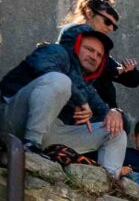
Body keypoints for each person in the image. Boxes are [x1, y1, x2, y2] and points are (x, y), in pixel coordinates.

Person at [0, 26, 127, 170]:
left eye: (99, 55)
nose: (94, 57)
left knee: (116, 132)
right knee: (60, 80)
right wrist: (80, 100)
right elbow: (46, 69)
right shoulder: (55, 51)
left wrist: (116, 112)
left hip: (51, 133)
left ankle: (109, 179)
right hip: (12, 118)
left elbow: (103, 110)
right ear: (76, 45)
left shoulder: (86, 86)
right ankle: (30, 147)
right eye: (89, 49)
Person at [55, 0, 139, 114]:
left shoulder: (100, 47)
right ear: (90, 14)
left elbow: (133, 80)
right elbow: (77, 71)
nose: (110, 28)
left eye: (114, 26)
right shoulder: (73, 33)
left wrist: (128, 70)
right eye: (107, 22)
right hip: (80, 110)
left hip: (98, 110)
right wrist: (117, 71)